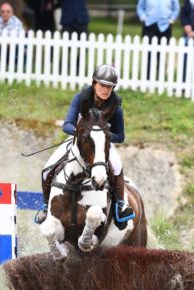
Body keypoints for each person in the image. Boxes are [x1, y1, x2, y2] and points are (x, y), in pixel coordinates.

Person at [34, 64, 135, 227]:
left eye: (110, 86)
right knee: (47, 170)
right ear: (94, 83)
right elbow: (67, 124)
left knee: (116, 166)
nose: (106, 90)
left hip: (101, 144)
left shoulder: (116, 107)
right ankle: (46, 206)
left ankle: (120, 205)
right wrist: (81, 135)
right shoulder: (81, 98)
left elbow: (120, 136)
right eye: (102, 85)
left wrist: (101, 136)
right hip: (77, 140)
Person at [137, 0, 180, 79]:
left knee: (162, 54)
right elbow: (140, 8)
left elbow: (176, 8)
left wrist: (172, 19)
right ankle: (148, 77)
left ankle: (160, 77)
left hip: (165, 26)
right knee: (149, 53)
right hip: (149, 25)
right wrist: (143, 17)